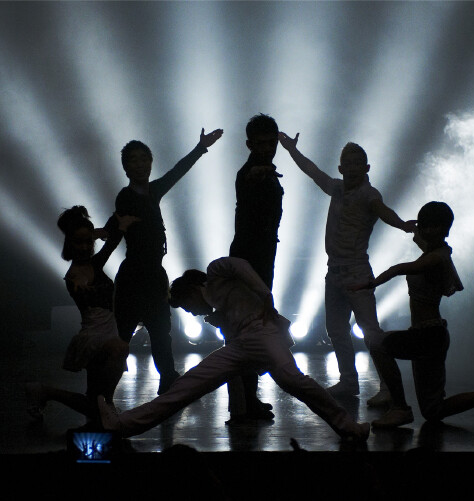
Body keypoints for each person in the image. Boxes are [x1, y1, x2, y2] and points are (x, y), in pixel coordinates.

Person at [96, 256, 371, 442]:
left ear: (193, 291)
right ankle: (122, 425)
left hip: (263, 335)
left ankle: (349, 426)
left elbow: (240, 266)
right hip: (243, 345)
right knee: (186, 386)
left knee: (295, 381)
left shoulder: (216, 273)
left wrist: (265, 296)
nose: (194, 313)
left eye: (189, 307)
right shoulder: (219, 311)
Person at [353, 201, 474, 427]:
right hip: (429, 335)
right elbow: (420, 239)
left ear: (444, 229)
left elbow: (399, 269)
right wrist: (409, 227)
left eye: (434, 227)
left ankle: (400, 408)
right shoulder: (432, 249)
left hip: (429, 335)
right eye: (425, 226)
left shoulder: (437, 257)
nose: (427, 231)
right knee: (433, 410)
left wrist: (371, 283)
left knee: (378, 344)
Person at [277, 132, 415, 402]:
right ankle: (349, 381)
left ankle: (388, 387)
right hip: (334, 272)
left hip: (356, 271)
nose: (352, 168)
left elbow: (382, 210)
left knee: (371, 332)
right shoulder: (337, 188)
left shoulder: (369, 194)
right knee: (337, 330)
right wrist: (292, 150)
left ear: (366, 167)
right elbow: (312, 171)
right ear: (341, 168)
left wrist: (402, 225)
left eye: (357, 163)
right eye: (347, 163)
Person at [102, 128, 223, 395]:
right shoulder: (126, 196)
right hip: (133, 276)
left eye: (144, 158)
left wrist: (200, 147)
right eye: (133, 160)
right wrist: (105, 233)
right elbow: (117, 220)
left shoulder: (153, 191)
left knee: (160, 333)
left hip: (154, 275)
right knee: (123, 336)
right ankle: (104, 391)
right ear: (125, 167)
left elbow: (176, 173)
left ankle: (168, 379)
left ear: (150, 162)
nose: (140, 164)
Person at [25, 206, 137, 426]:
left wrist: (120, 227)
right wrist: (80, 284)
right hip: (93, 338)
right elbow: (78, 280)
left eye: (88, 242)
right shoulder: (74, 274)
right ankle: (107, 404)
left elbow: (109, 245)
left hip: (107, 333)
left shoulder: (94, 263)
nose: (85, 247)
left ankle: (43, 391)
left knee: (94, 405)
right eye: (79, 242)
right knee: (120, 349)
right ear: (69, 243)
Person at [225, 113, 283, 423]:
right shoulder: (248, 173)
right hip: (250, 259)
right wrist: (256, 174)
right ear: (249, 144)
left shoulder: (267, 172)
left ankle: (248, 400)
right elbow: (248, 183)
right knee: (246, 328)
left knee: (253, 327)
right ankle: (242, 404)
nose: (268, 148)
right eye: (261, 143)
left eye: (272, 142)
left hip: (260, 258)